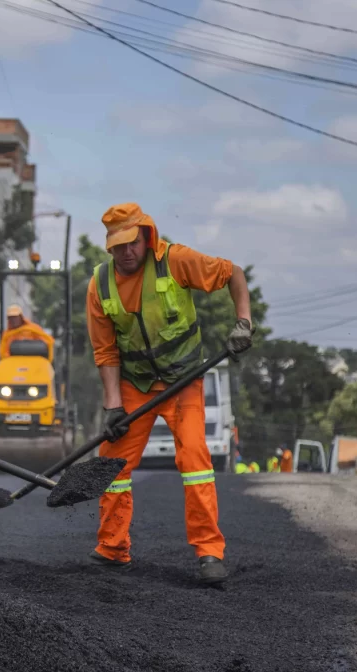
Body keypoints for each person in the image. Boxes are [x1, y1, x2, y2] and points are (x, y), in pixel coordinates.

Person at [86, 202, 255, 585]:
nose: (126, 252)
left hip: (183, 382)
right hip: (136, 384)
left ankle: (209, 552)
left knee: (195, 459)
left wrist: (243, 322)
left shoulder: (174, 260)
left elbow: (234, 274)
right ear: (109, 247)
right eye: (118, 246)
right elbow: (106, 350)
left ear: (147, 236)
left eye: (132, 243)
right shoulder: (100, 284)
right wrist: (113, 404)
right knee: (111, 463)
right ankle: (113, 548)